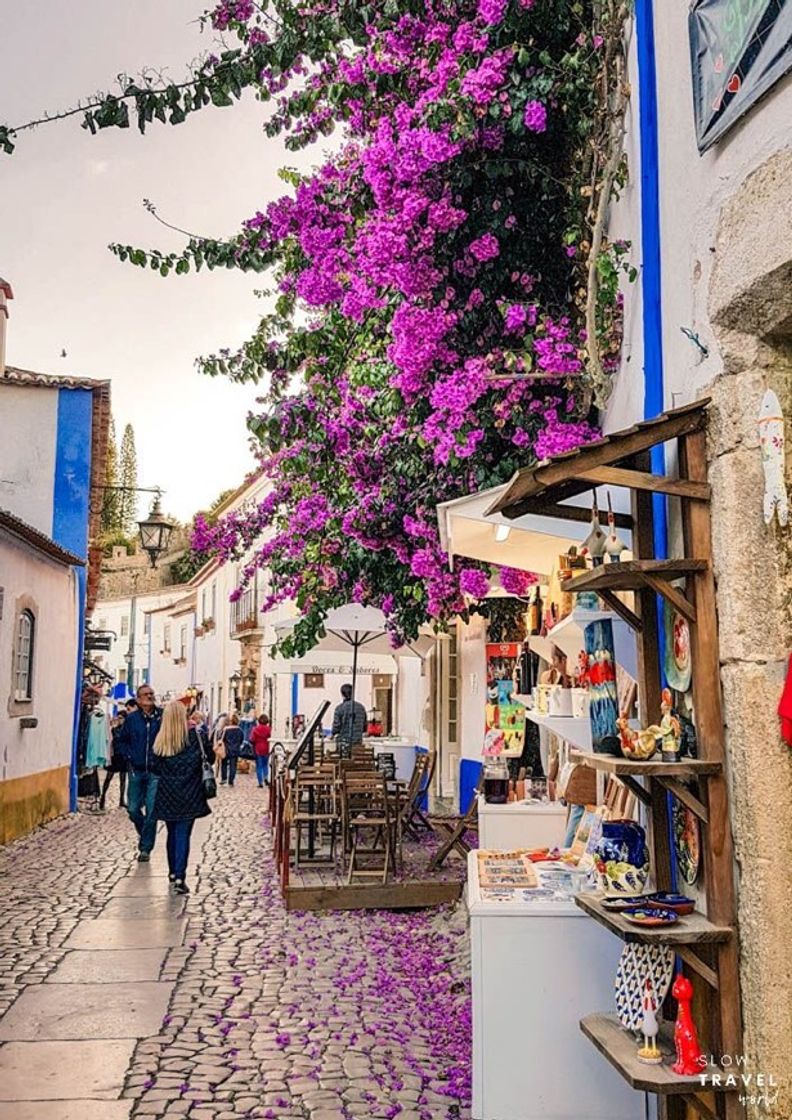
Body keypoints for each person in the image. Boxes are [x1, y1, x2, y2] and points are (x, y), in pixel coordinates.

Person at [151, 700, 211, 894]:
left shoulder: (161, 738)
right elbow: (208, 758)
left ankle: (172, 873)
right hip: (190, 792)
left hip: (168, 792)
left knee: (171, 833)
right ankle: (179, 877)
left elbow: (155, 766)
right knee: (183, 834)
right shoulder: (195, 737)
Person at [116, 684, 163, 861]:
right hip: (135, 769)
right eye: (146, 694)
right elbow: (122, 741)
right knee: (133, 809)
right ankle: (145, 835)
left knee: (152, 811)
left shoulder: (162, 717)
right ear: (138, 699)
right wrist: (128, 755)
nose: (150, 696)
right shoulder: (132, 719)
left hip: (155, 771)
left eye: (151, 693)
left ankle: (145, 848)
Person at [99, 699, 136, 810]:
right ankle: (102, 797)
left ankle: (121, 800)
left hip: (123, 757)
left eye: (121, 718)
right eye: (118, 718)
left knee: (123, 779)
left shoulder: (127, 730)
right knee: (108, 778)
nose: (119, 720)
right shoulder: (114, 730)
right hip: (115, 756)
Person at [331, 684, 367, 750]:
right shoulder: (361, 707)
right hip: (357, 742)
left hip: (343, 744)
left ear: (342, 695)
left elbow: (336, 727)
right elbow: (364, 727)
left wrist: (333, 733)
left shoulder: (339, 708)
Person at [218, 711, 244, 787]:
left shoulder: (226, 729)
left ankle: (224, 778)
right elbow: (241, 739)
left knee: (224, 764)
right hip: (235, 749)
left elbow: (221, 738)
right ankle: (231, 780)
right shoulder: (239, 730)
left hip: (226, 749)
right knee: (233, 765)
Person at [250, 713, 272, 788]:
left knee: (259, 766)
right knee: (265, 765)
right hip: (266, 748)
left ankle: (260, 782)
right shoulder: (269, 729)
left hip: (258, 748)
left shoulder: (255, 729)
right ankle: (266, 777)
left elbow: (252, 739)